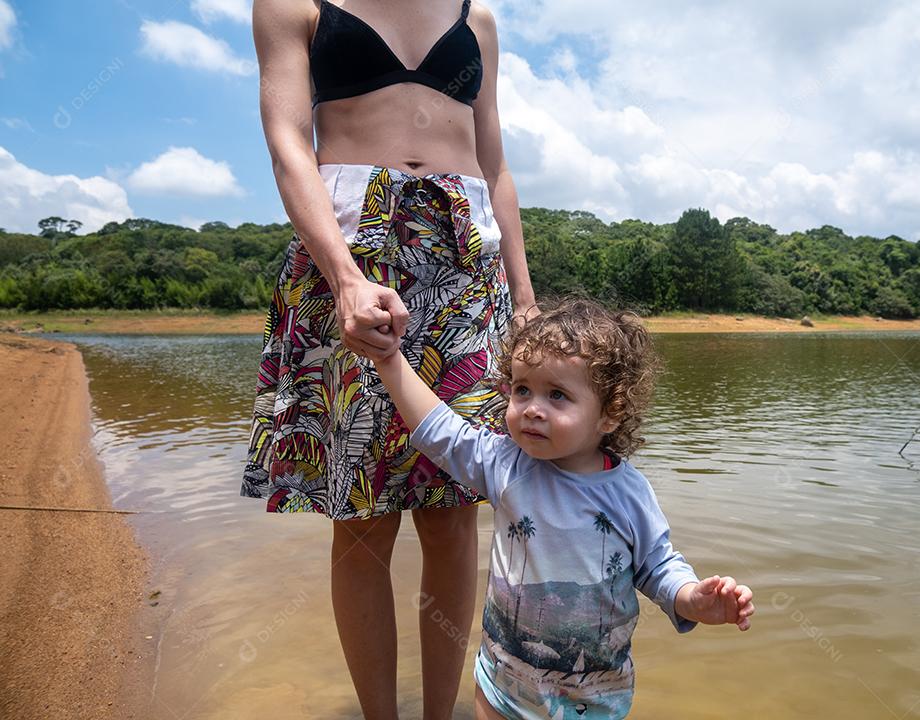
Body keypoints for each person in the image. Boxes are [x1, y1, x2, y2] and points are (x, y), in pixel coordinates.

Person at [243, 1, 536, 718]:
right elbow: (286, 137)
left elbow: (494, 161)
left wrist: (525, 298)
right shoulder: (293, 4)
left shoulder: (480, 18)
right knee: (363, 514)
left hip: (466, 267)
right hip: (350, 251)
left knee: (455, 509)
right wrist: (344, 277)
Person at [371, 297, 755, 719]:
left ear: (610, 413)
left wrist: (690, 598)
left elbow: (658, 567)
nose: (533, 409)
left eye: (557, 395)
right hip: (502, 683)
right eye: (522, 390)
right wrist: (389, 358)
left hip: (594, 697)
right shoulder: (505, 464)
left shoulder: (628, 493)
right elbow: (441, 432)